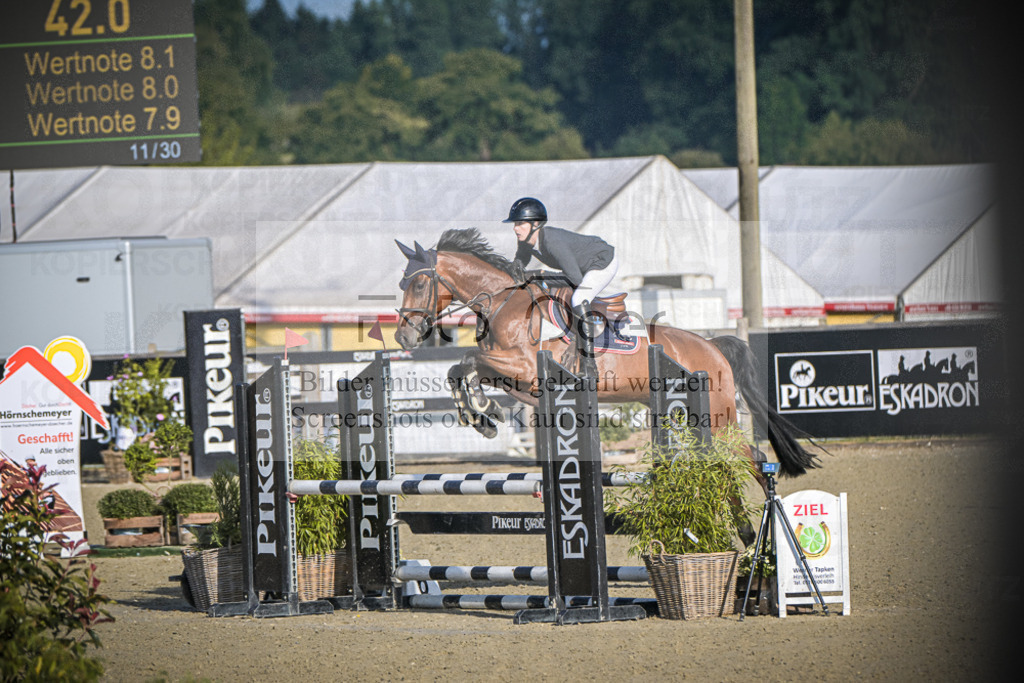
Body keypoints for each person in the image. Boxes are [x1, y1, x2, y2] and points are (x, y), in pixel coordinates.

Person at [504, 197, 618, 340]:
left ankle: (587, 355)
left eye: (520, 223)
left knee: (579, 298)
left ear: (536, 224)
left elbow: (575, 279)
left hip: (602, 262)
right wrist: (514, 267)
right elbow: (522, 257)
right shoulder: (526, 240)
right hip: (581, 266)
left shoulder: (552, 242)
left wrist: (541, 275)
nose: (515, 228)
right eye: (515, 223)